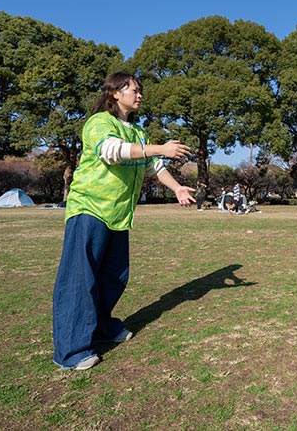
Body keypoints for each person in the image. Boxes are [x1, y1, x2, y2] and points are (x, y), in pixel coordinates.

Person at [52, 72, 195, 371]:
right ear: (115, 93)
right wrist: (161, 147)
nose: (139, 95)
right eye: (133, 90)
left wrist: (177, 188)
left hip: (119, 215)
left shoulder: (138, 132)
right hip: (90, 208)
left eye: (140, 90)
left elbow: (154, 166)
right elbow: (112, 152)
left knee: (114, 276)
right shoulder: (99, 123)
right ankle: (71, 351)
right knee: (81, 279)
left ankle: (101, 327)